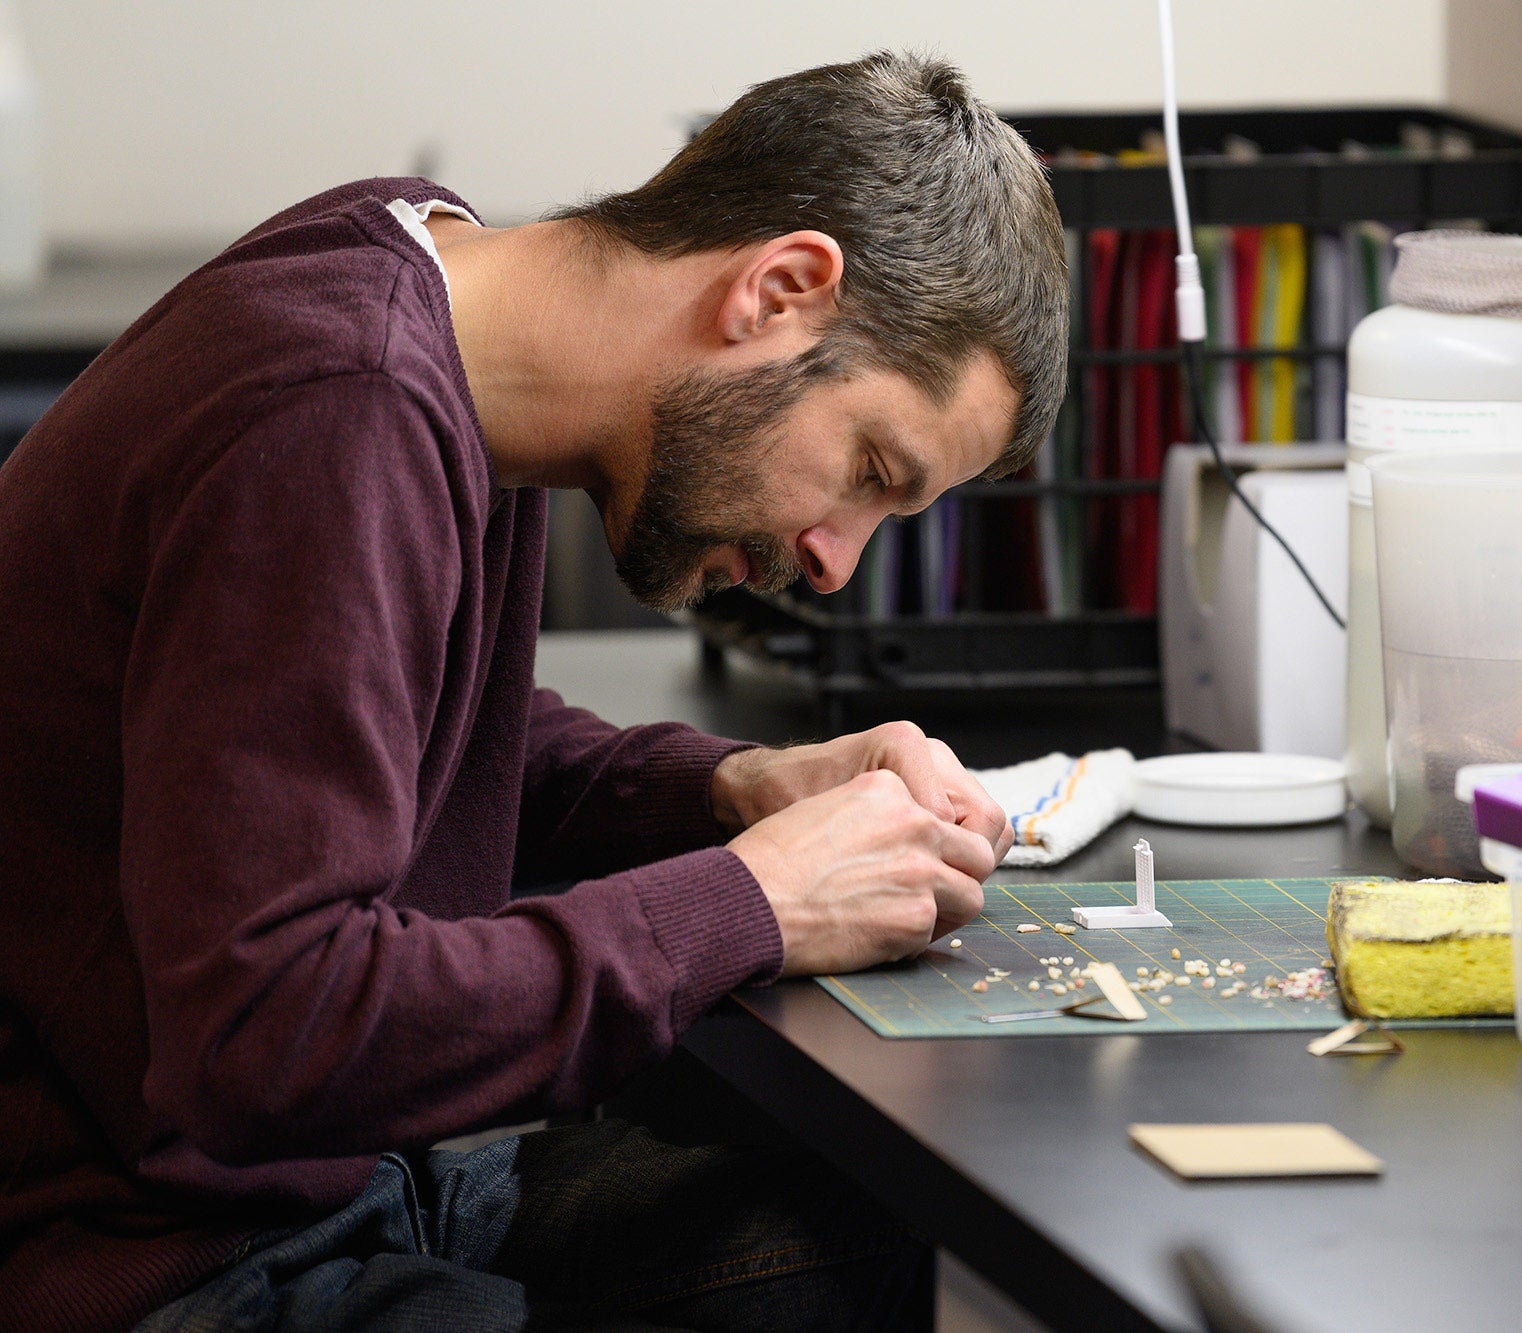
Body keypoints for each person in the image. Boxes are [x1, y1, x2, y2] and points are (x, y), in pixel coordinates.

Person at [0, 50, 1068, 1332]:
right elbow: (267, 1030)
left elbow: (390, 731)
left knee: (870, 1230)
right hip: (148, 1259)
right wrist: (756, 899)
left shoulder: (423, 277)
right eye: (870, 469)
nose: (834, 560)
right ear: (778, 290)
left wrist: (734, 789)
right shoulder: (338, 410)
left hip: (306, 1188)